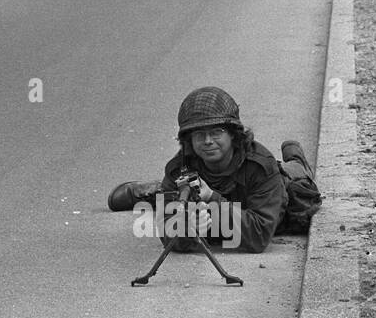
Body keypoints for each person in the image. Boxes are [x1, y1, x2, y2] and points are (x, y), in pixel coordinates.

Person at [107, 86, 319, 252]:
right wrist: (188, 230)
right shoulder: (179, 169)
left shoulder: (261, 166)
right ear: (189, 140)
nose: (208, 141)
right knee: (175, 192)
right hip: (222, 207)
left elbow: (259, 236)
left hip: (279, 190)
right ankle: (157, 190)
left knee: (300, 185)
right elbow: (169, 236)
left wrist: (211, 199)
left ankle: (294, 154)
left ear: (233, 135)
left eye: (216, 132)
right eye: (199, 135)